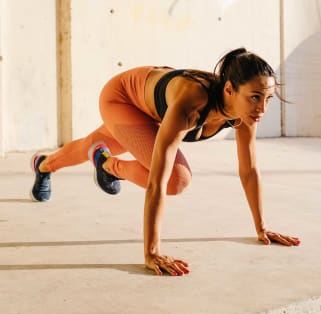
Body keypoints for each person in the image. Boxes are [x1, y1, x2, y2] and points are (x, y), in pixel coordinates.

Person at [30, 47, 301, 276]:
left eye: (268, 98)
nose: (262, 109)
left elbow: (249, 170)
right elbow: (158, 181)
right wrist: (152, 252)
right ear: (229, 89)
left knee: (90, 145)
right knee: (176, 180)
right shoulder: (191, 103)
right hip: (122, 98)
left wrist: (262, 227)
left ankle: (43, 165)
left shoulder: (244, 115)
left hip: (152, 105)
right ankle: (107, 165)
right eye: (255, 97)